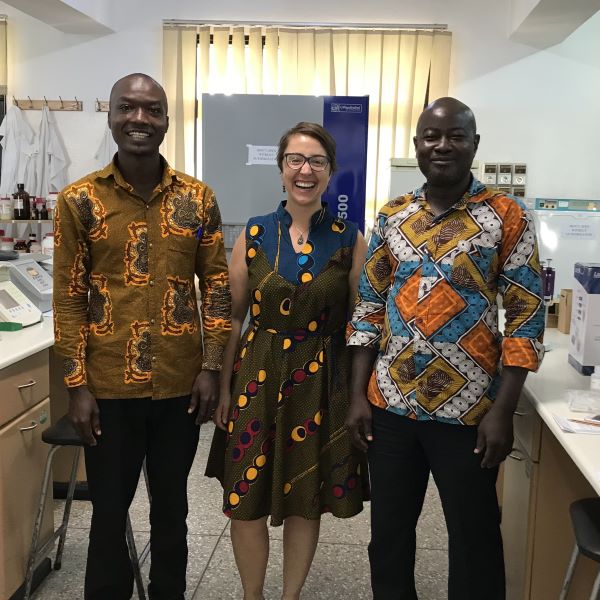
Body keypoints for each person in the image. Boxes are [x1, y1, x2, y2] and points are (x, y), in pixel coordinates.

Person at [346, 97, 545, 600]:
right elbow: (368, 306)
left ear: (474, 144)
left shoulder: (507, 215)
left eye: (455, 135)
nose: (442, 145)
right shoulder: (393, 215)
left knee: (474, 538)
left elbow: (526, 315)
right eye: (431, 136)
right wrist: (356, 398)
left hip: (471, 413)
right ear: (416, 145)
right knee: (389, 536)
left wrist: (504, 411)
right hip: (390, 405)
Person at [52, 73, 231, 600]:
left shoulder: (198, 199)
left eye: (152, 110)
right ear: (110, 116)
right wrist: (76, 386)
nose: (139, 119)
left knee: (172, 513)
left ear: (167, 121)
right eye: (128, 108)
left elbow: (217, 286)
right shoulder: (78, 200)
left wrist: (211, 366)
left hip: (180, 385)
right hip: (107, 390)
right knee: (107, 517)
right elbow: (67, 297)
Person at [205, 122, 369, 600]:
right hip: (257, 374)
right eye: (295, 160)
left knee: (305, 500)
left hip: (322, 383)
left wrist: (357, 393)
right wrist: (224, 387)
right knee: (244, 499)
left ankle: (289, 596)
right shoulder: (254, 234)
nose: (305, 170)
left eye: (317, 161)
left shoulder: (348, 239)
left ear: (330, 172)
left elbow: (362, 321)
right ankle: (252, 595)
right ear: (281, 170)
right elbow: (233, 318)